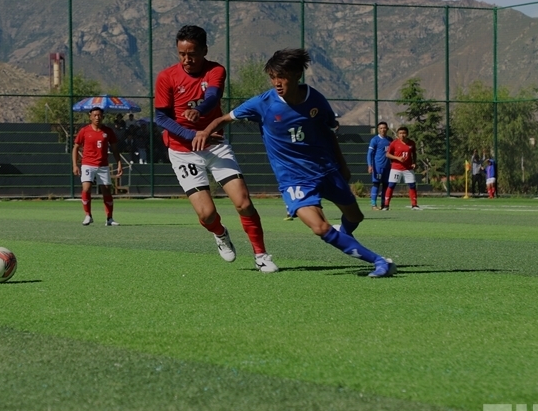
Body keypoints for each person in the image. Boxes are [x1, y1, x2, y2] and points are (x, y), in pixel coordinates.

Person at [195, 48, 394, 278]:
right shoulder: (263, 103)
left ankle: (345, 237)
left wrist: (342, 164)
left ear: (297, 74)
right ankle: (379, 261)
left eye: (282, 76)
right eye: (272, 77)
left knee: (355, 217)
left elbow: (329, 131)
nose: (276, 83)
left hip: (326, 170)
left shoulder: (315, 99)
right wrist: (205, 132)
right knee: (319, 227)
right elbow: (224, 118)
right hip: (294, 179)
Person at [153, 24, 276, 273]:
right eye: (182, 54)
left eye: (192, 54)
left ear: (204, 50)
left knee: (243, 203)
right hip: (182, 151)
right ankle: (220, 233)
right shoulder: (166, 77)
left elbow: (212, 97)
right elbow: (161, 118)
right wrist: (191, 134)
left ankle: (261, 255)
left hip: (215, 146)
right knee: (206, 214)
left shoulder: (216, 70)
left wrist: (199, 113)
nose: (187, 60)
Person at [73, 106, 123, 226]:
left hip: (103, 165)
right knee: (86, 188)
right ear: (90, 117)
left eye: (99, 115)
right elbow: (75, 147)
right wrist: (75, 165)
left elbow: (115, 149)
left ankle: (109, 218)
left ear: (103, 117)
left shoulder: (108, 131)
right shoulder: (84, 131)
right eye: (95, 115)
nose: (97, 117)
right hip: (87, 164)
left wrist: (119, 163)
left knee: (106, 190)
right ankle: (88, 215)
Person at [380, 126, 419, 210]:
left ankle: (414, 205)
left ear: (407, 134)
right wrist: (397, 158)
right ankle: (386, 205)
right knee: (391, 185)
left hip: (408, 168)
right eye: (400, 133)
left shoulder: (411, 143)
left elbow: (414, 153)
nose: (402, 135)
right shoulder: (394, 143)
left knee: (412, 185)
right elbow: (387, 154)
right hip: (396, 168)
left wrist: (414, 162)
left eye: (404, 133)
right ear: (397, 134)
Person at [366, 122, 392, 210]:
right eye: (381, 128)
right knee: (376, 184)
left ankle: (383, 204)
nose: (382, 130)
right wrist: (370, 165)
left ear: (387, 129)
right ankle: (373, 205)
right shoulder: (375, 140)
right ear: (378, 129)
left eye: (384, 128)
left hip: (387, 167)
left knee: (386, 185)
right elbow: (369, 154)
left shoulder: (390, 140)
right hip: (377, 166)